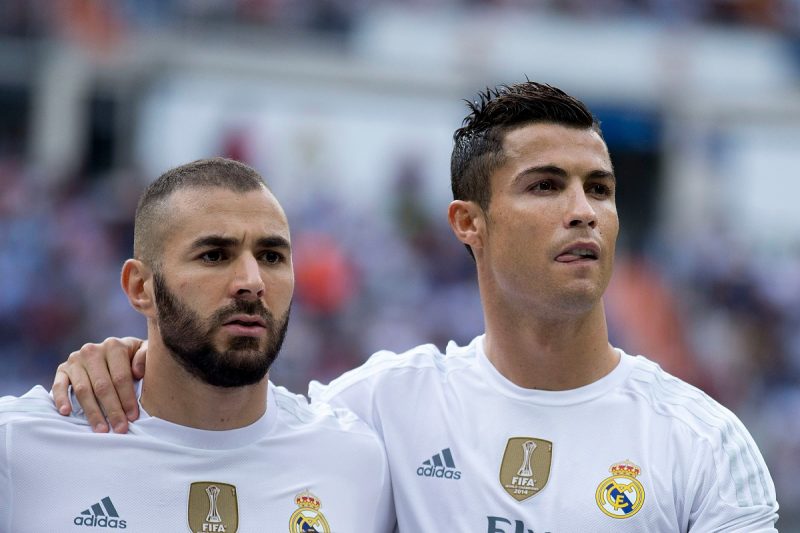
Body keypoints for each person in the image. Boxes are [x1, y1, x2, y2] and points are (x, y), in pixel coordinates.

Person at [52, 82, 779, 531]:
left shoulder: (705, 442)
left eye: (600, 188)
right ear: (468, 222)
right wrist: (125, 359)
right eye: (546, 185)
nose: (583, 211)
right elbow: (228, 423)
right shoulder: (379, 408)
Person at [1, 158, 394, 532]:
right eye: (214, 255)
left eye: (271, 256)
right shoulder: (20, 447)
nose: (252, 281)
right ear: (140, 288)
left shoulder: (356, 460)